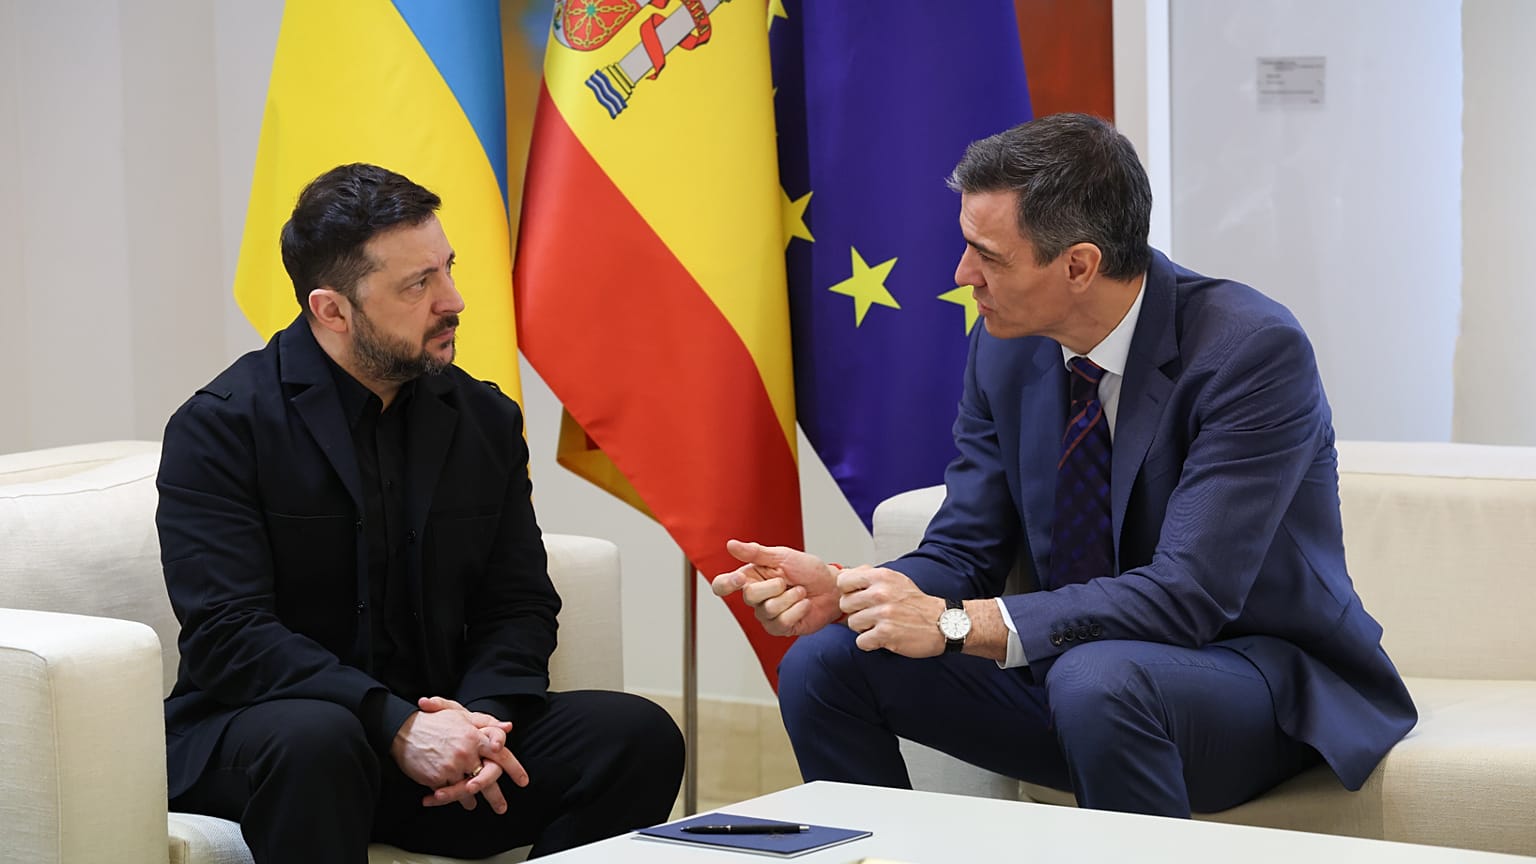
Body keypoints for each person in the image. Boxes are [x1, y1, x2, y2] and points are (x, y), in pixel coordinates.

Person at [713, 113, 1416, 817]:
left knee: (1096, 680)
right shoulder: (1006, 344)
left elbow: (1188, 593)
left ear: (1079, 265)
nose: (962, 276)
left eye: (988, 256)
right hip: (1081, 676)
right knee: (827, 661)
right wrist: (852, 592)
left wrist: (959, 624)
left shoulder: (1250, 351)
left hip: (1250, 678)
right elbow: (965, 551)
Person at [157, 163, 683, 862]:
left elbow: (519, 603)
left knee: (637, 735)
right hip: (275, 738)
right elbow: (230, 634)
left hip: (438, 739)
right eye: (418, 284)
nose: (453, 300)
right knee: (318, 739)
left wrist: (481, 720)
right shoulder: (223, 428)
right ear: (332, 310)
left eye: (448, 269)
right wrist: (396, 724)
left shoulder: (484, 419)